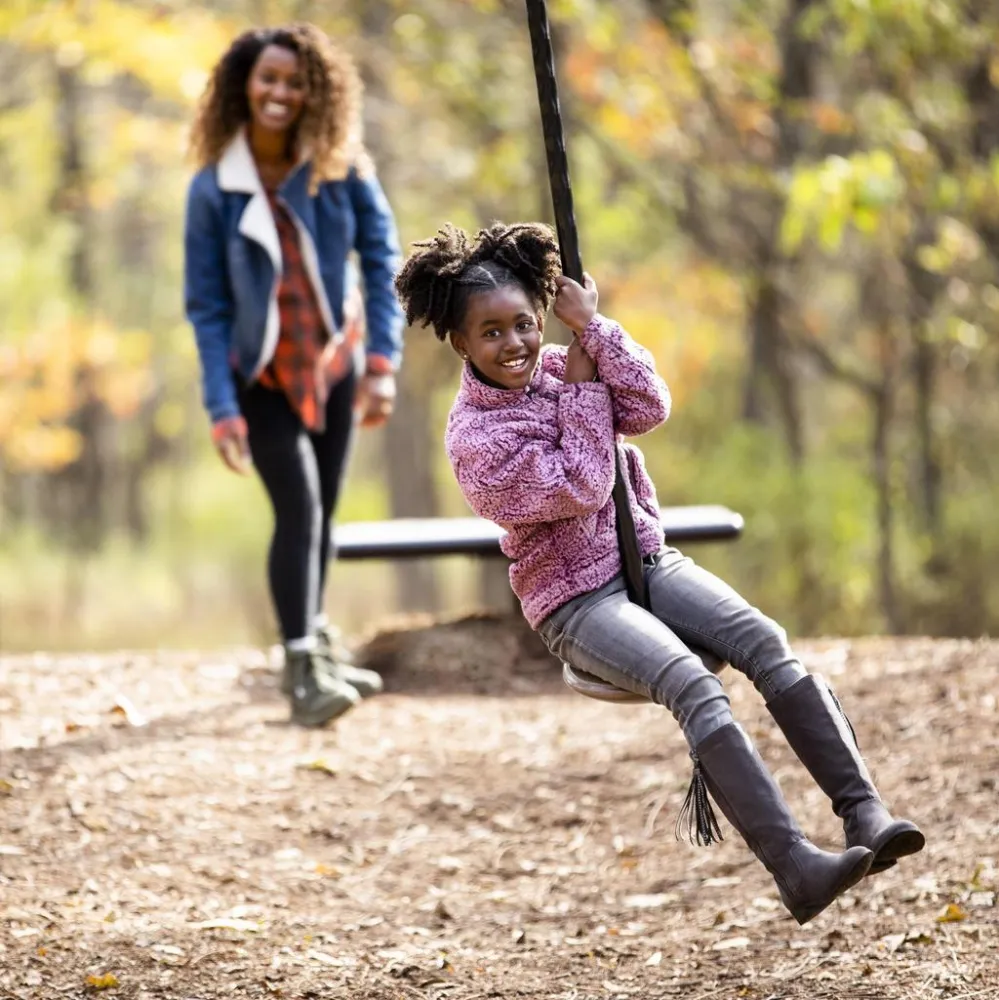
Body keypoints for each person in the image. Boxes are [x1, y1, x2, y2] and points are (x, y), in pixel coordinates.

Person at [393, 221, 925, 925]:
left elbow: (648, 405)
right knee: (690, 684)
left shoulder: (563, 362)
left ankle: (864, 814)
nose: (514, 343)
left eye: (524, 323)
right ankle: (795, 866)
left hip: (643, 559)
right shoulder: (475, 438)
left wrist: (595, 329)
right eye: (490, 332)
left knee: (764, 641)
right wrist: (584, 394)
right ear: (460, 343)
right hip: (575, 598)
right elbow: (579, 485)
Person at [184, 23, 401, 727]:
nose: (279, 92)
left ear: (315, 91)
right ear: (243, 86)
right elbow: (209, 307)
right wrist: (222, 408)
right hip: (263, 380)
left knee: (325, 517)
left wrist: (380, 366)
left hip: (335, 365)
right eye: (267, 78)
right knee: (299, 510)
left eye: (293, 80)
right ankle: (301, 666)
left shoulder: (340, 168)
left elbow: (380, 257)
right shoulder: (214, 190)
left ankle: (321, 649)